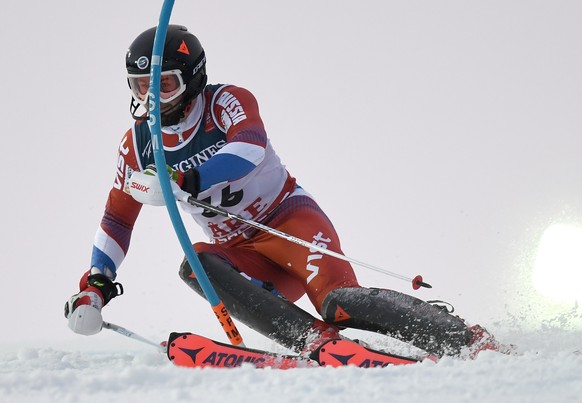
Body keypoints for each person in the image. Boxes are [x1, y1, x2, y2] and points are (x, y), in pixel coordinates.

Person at [64, 25, 506, 359]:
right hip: (243, 252)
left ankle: (465, 339)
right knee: (195, 264)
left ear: (192, 80)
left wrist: (185, 180)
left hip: (289, 224)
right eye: (141, 87)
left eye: (164, 85)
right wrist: (96, 285)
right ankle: (312, 342)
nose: (152, 99)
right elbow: (118, 218)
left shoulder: (226, 103)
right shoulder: (138, 144)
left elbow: (248, 149)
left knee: (338, 302)